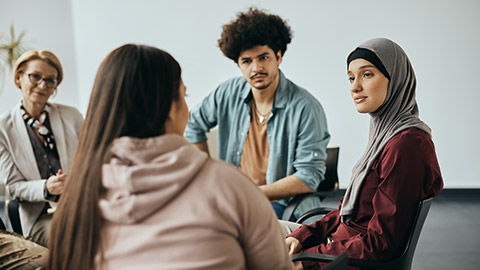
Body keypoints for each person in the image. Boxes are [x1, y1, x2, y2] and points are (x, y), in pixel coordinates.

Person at [48, 44, 293, 270]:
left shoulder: (75, 204)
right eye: (184, 96)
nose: (256, 68)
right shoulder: (231, 186)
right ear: (170, 107)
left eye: (263, 58)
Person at [284, 38, 444, 269]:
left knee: (249, 245)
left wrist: (308, 258)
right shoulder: (387, 135)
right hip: (337, 245)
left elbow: (381, 244)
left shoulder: (406, 145)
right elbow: (350, 212)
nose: (354, 87)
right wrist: (302, 235)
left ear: (396, 78)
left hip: (345, 258)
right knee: (251, 237)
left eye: (367, 74)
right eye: (351, 77)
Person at [185, 7, 330, 220]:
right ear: (239, 65)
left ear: (278, 57)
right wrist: (209, 176)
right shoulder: (227, 93)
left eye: (263, 57)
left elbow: (308, 177)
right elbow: (193, 125)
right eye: (247, 61)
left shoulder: (306, 107)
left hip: (281, 205)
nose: (256, 68)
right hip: (232, 200)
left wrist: (252, 193)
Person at [0, 50, 83, 247]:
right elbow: (14, 187)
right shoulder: (3, 129)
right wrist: (46, 187)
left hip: (79, 204)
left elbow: (93, 156)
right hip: (41, 217)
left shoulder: (71, 116)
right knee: (75, 235)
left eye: (51, 80)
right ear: (19, 77)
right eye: (35, 76)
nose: (43, 85)